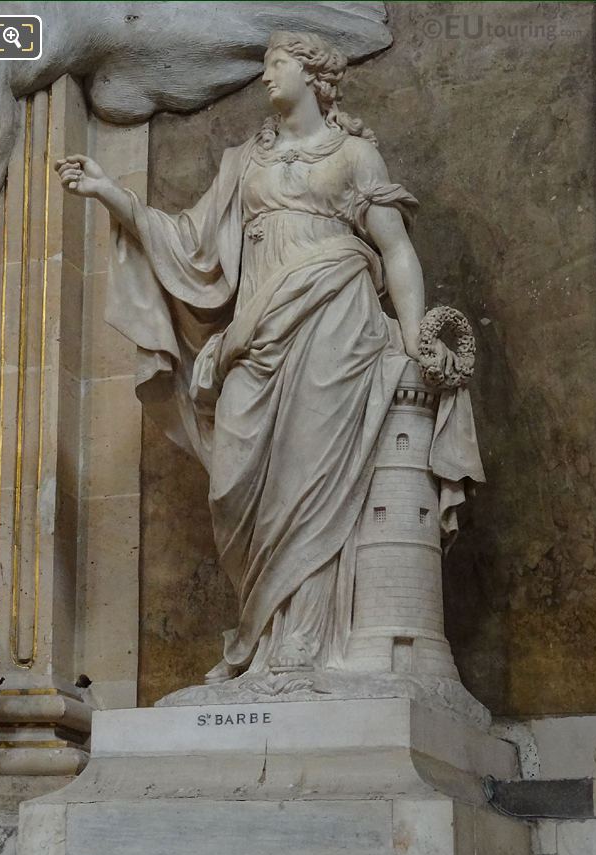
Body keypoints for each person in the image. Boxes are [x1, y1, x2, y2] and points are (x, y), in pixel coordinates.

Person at [55, 31, 464, 683]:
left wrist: (415, 337)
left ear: (313, 75)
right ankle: (267, 633)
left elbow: (395, 251)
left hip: (335, 321)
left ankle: (305, 642)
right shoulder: (243, 161)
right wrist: (112, 193)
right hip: (255, 335)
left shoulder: (355, 156)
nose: (266, 76)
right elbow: (189, 243)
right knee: (235, 479)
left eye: (277, 64)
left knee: (316, 475)